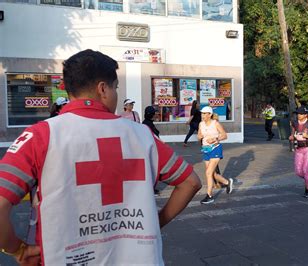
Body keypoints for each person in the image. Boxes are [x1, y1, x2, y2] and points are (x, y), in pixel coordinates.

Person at [0, 49, 201, 265]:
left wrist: (18, 249)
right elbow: (190, 182)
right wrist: (155, 222)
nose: (115, 94)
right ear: (103, 89)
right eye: (115, 88)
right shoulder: (142, 135)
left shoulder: (40, 136)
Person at [198, 106, 233, 204]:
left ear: (210, 115)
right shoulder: (201, 124)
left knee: (208, 173)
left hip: (215, 149)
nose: (203, 115)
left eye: (205, 113)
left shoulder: (215, 123)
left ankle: (209, 196)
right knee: (213, 174)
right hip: (206, 149)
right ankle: (227, 182)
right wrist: (199, 136)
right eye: (202, 113)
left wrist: (215, 139)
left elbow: (225, 135)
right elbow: (199, 136)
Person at [289, 107, 308, 198]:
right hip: (299, 149)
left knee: (305, 170)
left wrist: (307, 136)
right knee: (298, 172)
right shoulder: (294, 123)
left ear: (305, 115)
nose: (299, 115)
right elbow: (292, 135)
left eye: (301, 114)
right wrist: (291, 137)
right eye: (298, 113)